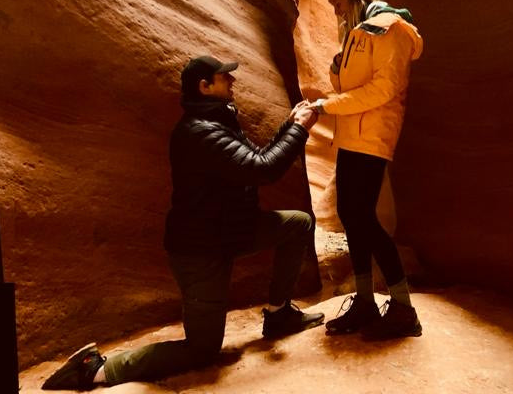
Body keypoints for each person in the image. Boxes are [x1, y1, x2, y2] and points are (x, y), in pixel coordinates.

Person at [43, 55, 323, 390]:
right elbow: (262, 169)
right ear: (204, 86)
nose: (232, 81)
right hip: (201, 251)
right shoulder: (199, 133)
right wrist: (299, 128)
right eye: (224, 78)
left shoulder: (219, 122)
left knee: (298, 224)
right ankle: (96, 369)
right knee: (202, 350)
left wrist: (288, 125)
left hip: (230, 233)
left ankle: (279, 315)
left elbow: (255, 159)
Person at [306, 0, 423, 340]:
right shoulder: (359, 33)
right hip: (352, 136)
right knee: (350, 215)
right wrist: (334, 71)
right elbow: (352, 83)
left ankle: (404, 308)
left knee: (362, 217)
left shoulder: (389, 29)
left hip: (372, 136)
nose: (338, 14)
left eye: (340, 6)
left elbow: (383, 89)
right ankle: (365, 302)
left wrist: (326, 105)